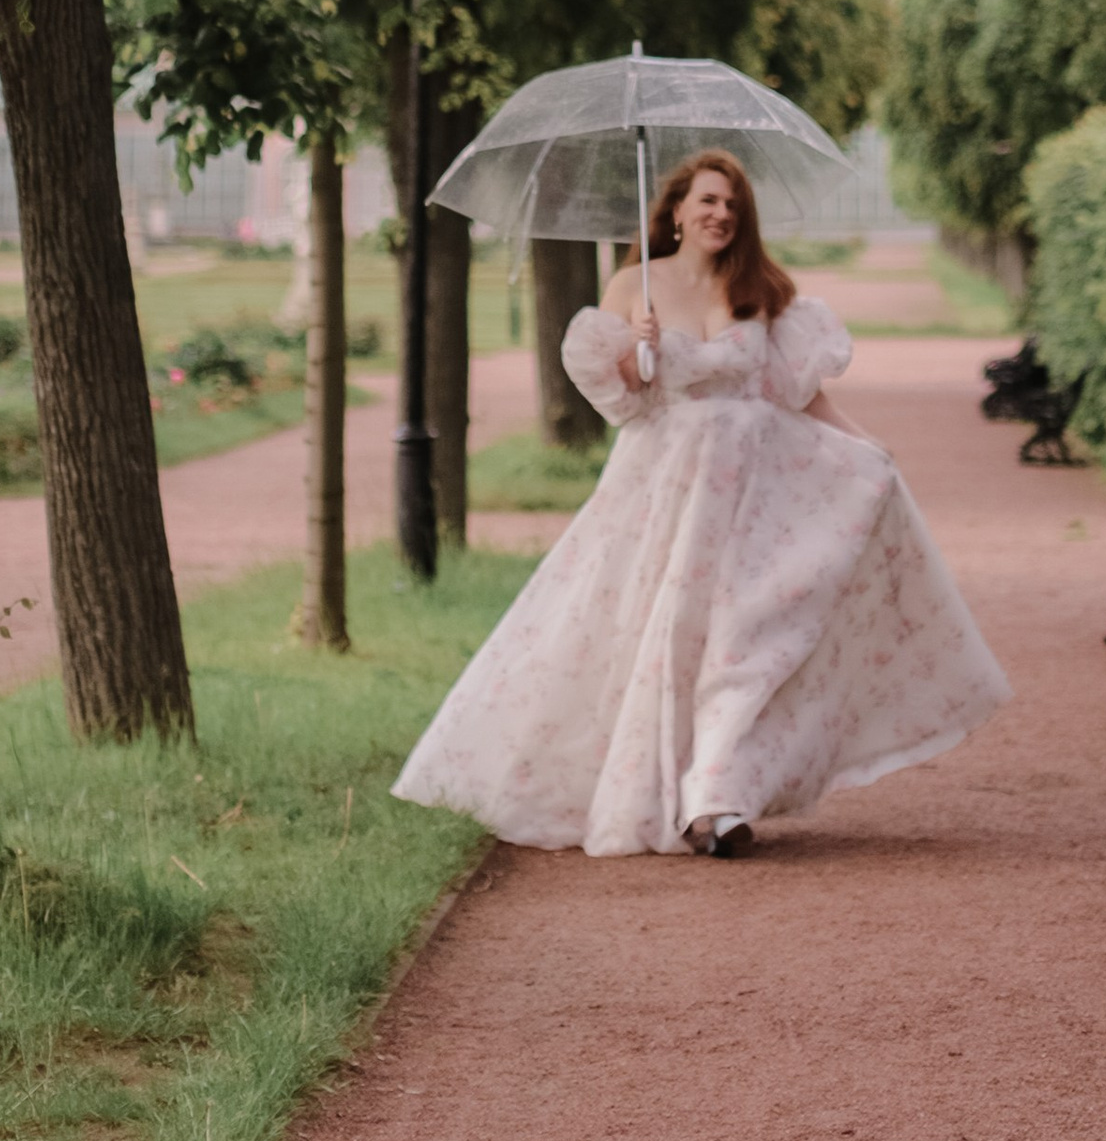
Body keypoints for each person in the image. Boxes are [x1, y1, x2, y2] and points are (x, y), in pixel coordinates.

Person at [393, 151, 1010, 858]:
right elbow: (626, 404)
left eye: (732, 206)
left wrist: (867, 444)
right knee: (665, 636)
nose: (721, 215)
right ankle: (683, 792)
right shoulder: (633, 285)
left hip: (762, 492)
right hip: (671, 492)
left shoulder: (758, 287)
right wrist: (639, 352)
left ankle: (715, 796)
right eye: (709, 201)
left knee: (749, 637)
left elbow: (799, 392)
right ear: (677, 209)